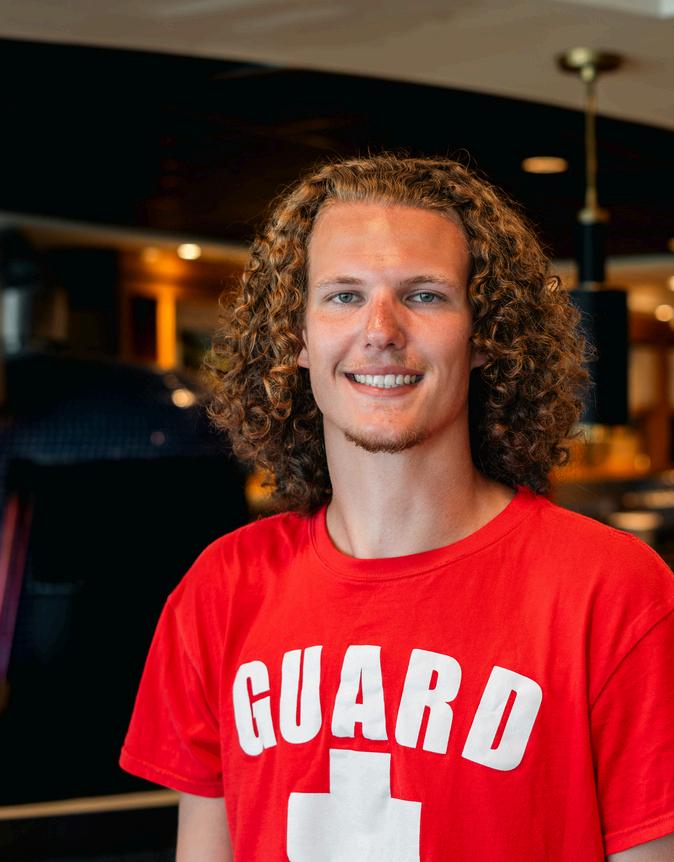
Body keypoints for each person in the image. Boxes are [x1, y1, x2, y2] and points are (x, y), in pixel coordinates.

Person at [119, 154, 674, 861]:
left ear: (484, 335)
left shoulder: (615, 591)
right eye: (344, 296)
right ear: (298, 337)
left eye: (425, 295)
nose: (380, 328)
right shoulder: (221, 589)